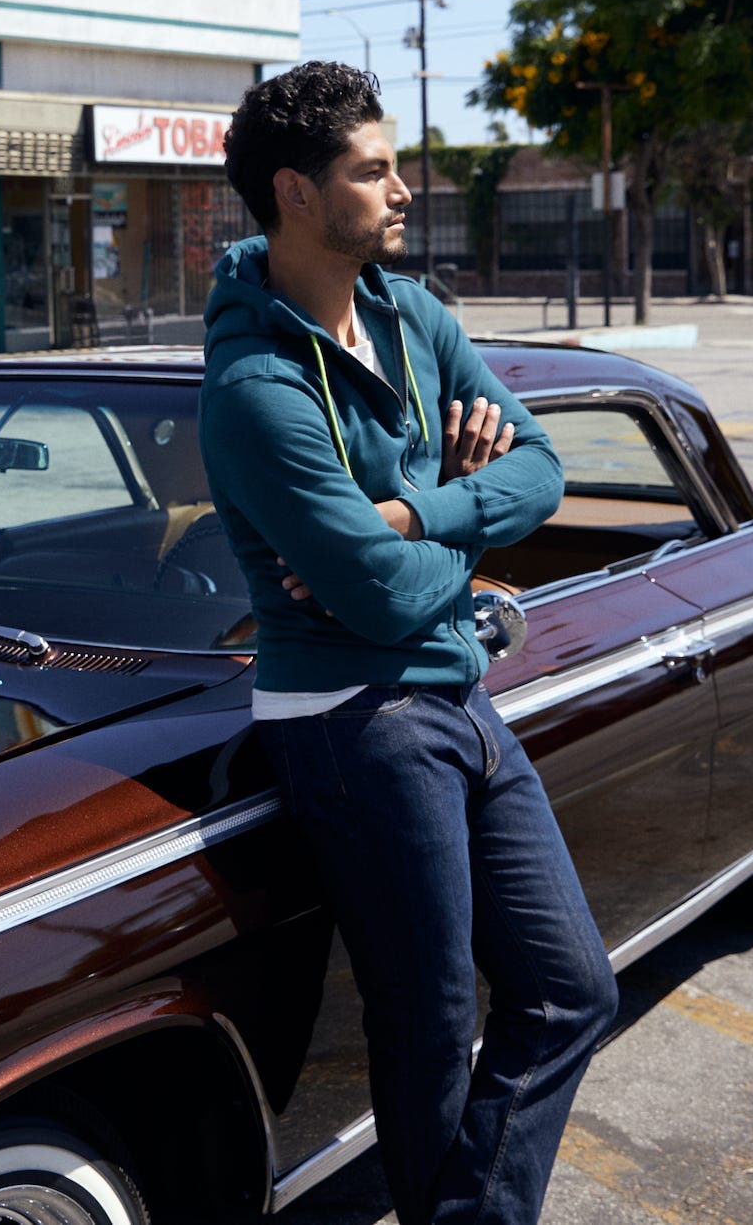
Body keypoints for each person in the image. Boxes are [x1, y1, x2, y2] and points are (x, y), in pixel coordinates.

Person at [197, 61, 617, 1225]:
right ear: (294, 192)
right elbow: (376, 602)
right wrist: (455, 507)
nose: (401, 188)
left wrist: (414, 508)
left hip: (457, 700)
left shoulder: (412, 313)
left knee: (569, 987)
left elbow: (542, 468)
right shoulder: (253, 387)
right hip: (348, 722)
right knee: (429, 1023)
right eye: (372, 170)